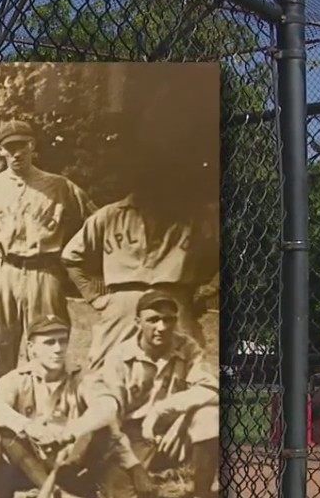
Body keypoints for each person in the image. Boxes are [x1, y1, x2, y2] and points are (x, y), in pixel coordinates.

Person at [59, 128, 217, 371]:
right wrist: (96, 298)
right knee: (107, 370)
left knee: (186, 370)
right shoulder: (109, 216)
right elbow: (72, 257)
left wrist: (204, 293)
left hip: (173, 300)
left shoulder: (192, 219)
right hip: (123, 303)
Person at [0, 120, 96, 379]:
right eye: (10, 147)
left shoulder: (59, 186)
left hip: (44, 272)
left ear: (33, 146)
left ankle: (46, 410)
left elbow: (95, 221)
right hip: (3, 273)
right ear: (0, 150)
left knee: (48, 345)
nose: (17, 153)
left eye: (22, 146)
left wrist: (74, 257)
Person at [86, 290, 220, 498]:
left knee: (209, 415)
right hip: (131, 435)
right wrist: (134, 467)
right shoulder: (119, 357)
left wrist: (175, 413)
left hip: (172, 429)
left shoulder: (187, 346)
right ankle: (114, 477)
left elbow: (212, 389)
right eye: (153, 320)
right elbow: (111, 423)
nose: (162, 327)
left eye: (169, 319)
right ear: (138, 322)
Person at [0, 314, 114, 498]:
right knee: (6, 431)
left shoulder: (81, 378)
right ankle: (59, 496)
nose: (58, 349)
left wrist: (72, 432)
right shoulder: (18, 379)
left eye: (62, 341)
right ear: (32, 349)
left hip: (71, 462)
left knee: (104, 427)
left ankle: (43, 493)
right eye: (49, 343)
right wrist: (27, 426)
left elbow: (108, 406)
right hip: (29, 463)